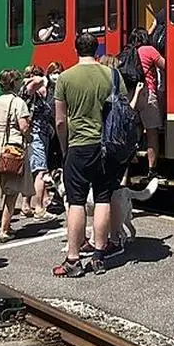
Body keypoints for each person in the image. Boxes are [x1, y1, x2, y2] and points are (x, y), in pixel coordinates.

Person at [53, 32, 127, 278]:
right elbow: (124, 110)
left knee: (76, 202)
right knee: (103, 198)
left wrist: (64, 149)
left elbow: (61, 121)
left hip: (79, 147)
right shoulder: (113, 75)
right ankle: (99, 255)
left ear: (76, 50)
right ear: (97, 50)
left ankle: (73, 259)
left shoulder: (65, 78)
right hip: (107, 147)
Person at [0, 69, 32, 242]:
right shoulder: (19, 102)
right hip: (14, 147)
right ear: (14, 83)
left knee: (3, 186)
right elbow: (23, 126)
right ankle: (4, 228)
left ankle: (5, 224)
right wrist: (29, 137)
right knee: (12, 191)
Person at [129, 28, 166, 179]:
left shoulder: (129, 52)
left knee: (130, 131)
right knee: (152, 132)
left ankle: (127, 166)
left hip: (131, 94)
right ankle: (152, 170)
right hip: (146, 93)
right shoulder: (149, 50)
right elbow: (166, 65)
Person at [20, 65, 54, 219]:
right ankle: (39, 208)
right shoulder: (27, 92)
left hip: (42, 135)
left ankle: (26, 205)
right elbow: (38, 81)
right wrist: (39, 78)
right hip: (34, 135)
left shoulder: (39, 97)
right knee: (40, 170)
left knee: (33, 170)